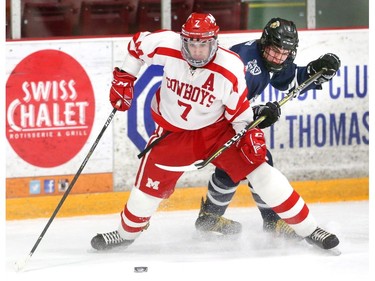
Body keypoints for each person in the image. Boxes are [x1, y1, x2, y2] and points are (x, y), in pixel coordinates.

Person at [91, 13, 339, 251]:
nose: (197, 51)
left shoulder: (234, 65)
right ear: (183, 39)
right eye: (192, 44)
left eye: (204, 45)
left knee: (260, 165)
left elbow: (271, 88)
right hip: (175, 134)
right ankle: (133, 233)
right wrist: (124, 77)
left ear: (215, 42)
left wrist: (312, 72)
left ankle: (304, 228)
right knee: (146, 193)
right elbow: (138, 45)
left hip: (218, 129)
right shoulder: (234, 62)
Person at [194, 18, 341, 240]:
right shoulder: (243, 61)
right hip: (208, 121)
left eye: (285, 53)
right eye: (275, 51)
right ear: (264, 43)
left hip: (224, 122)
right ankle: (271, 221)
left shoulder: (269, 57)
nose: (279, 57)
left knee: (236, 164)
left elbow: (291, 81)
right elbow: (221, 100)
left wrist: (316, 70)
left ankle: (209, 218)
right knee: (257, 158)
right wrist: (254, 112)